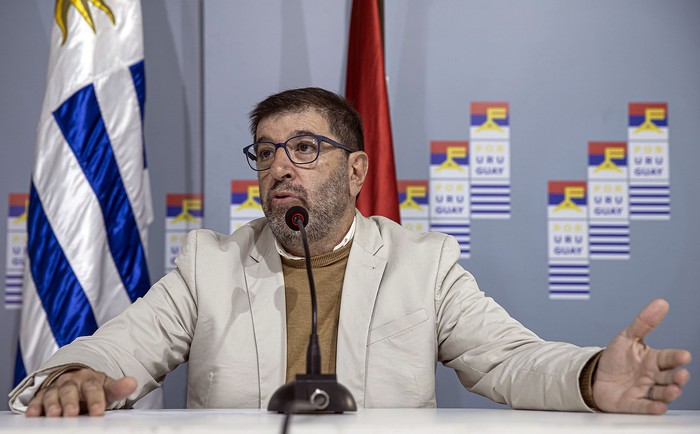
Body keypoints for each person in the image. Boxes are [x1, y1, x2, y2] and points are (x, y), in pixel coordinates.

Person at [9, 87, 691, 417]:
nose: (281, 166)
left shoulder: (424, 264)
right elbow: (117, 348)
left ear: (358, 170)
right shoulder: (209, 264)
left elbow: (511, 361)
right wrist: (75, 376)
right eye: (267, 151)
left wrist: (590, 375)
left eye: (305, 148)